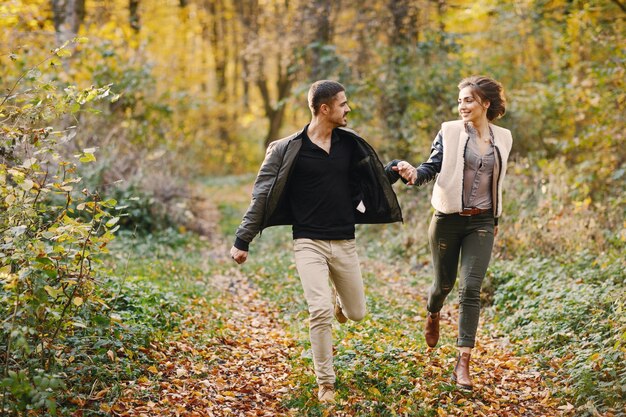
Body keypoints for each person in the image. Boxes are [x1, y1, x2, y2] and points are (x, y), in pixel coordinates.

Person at [230, 80, 403, 403]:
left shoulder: (349, 145)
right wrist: (243, 239)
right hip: (308, 241)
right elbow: (262, 195)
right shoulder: (287, 149)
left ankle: (340, 300)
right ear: (325, 109)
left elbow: (372, 179)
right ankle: (326, 383)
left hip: (344, 242)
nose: (348, 108)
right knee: (319, 311)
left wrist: (394, 170)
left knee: (356, 313)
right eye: (343, 104)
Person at [387, 75, 512, 391]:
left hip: (482, 222)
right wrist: (413, 174)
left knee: (471, 288)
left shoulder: (504, 138)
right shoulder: (450, 131)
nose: (462, 106)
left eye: (468, 100)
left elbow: (497, 182)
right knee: (444, 284)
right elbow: (433, 166)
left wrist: (495, 218)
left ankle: (462, 364)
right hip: (447, 220)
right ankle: (433, 312)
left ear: (485, 103)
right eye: (460, 101)